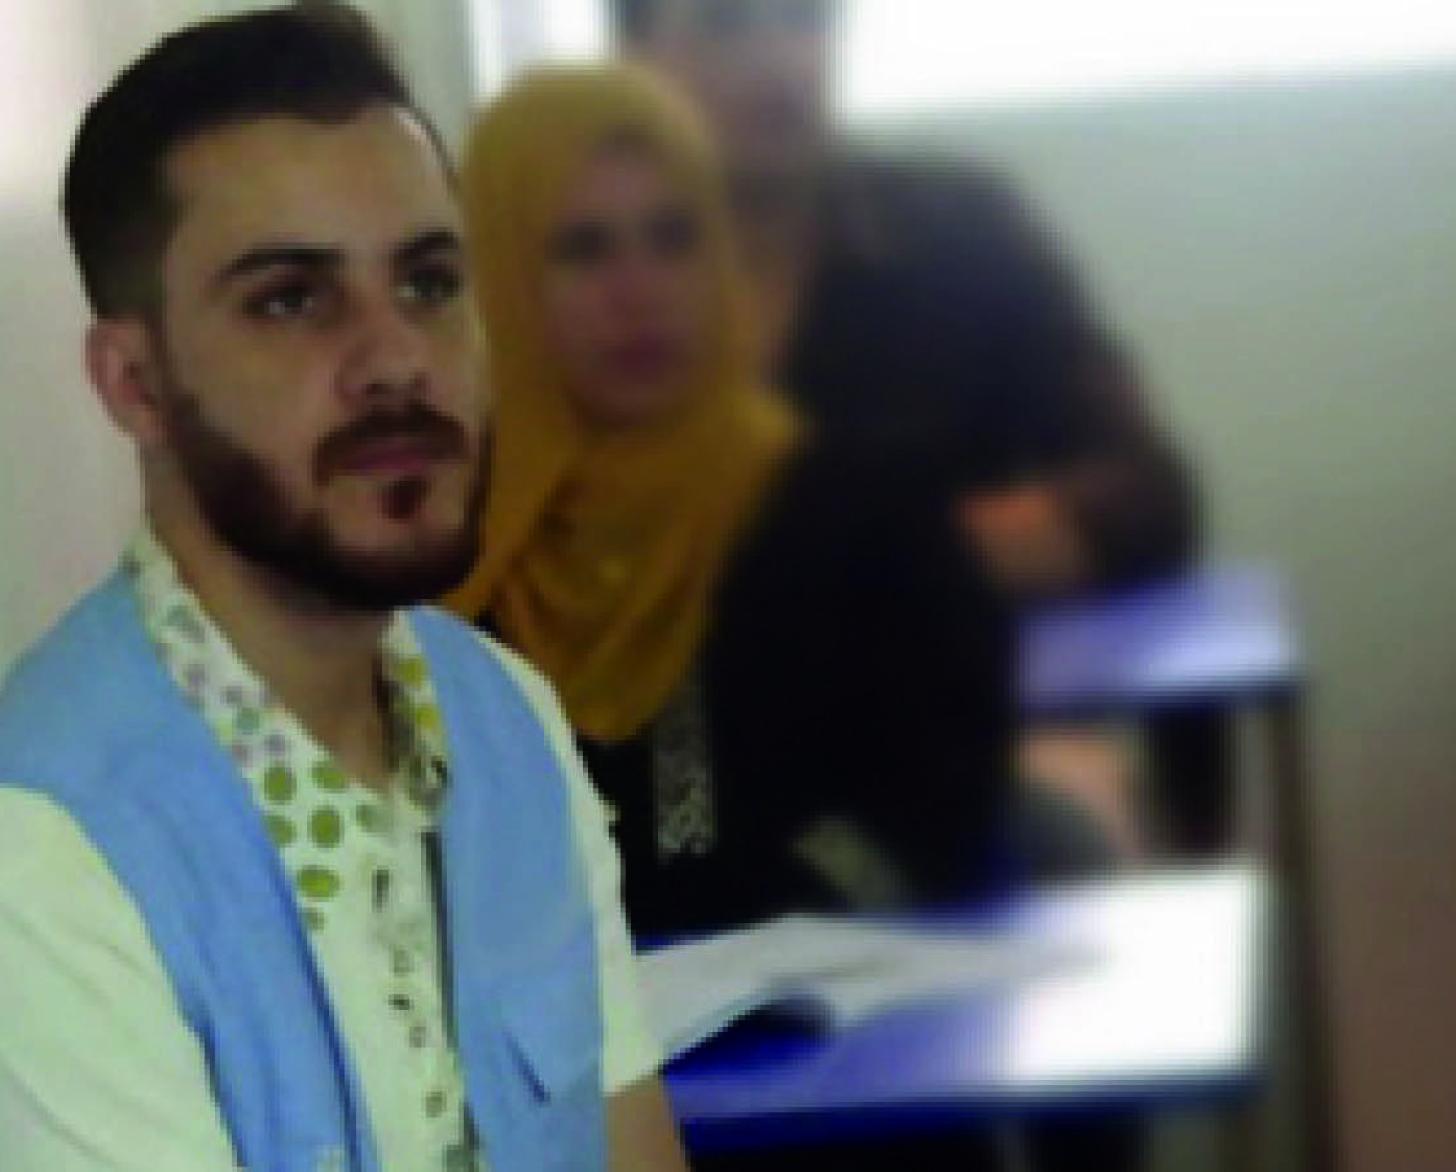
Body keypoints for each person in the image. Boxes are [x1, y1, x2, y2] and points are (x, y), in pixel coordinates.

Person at [0, 9, 687, 1172]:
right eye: (289, 299)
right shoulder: (45, 851)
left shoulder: (505, 718)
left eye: (427, 280)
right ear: (135, 382)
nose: (396, 356)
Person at [447, 62, 1015, 945]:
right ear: (499, 280)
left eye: (673, 238)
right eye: (581, 250)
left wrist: (759, 932)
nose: (638, 292)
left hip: (838, 1035)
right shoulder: (446, 557)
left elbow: (930, 804)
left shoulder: (855, 516)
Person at [610, 0, 1198, 601]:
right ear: (632, 61)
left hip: (927, 679)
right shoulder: (579, 275)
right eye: (724, 24)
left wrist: (910, 564)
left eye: (807, 16)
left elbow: (1147, 496)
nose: (778, 60)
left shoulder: (961, 235)